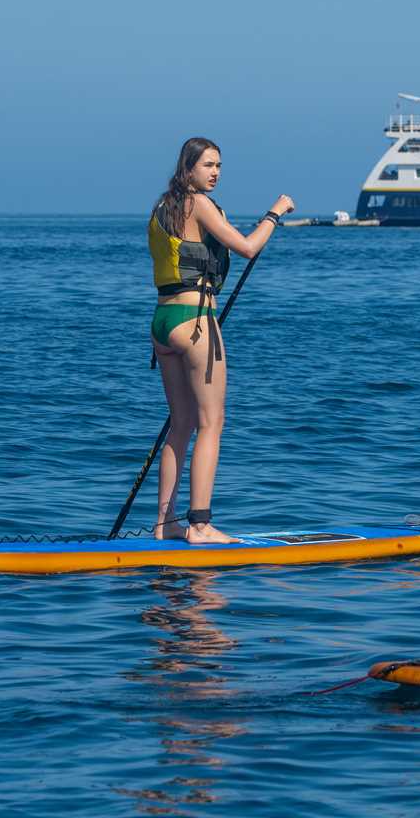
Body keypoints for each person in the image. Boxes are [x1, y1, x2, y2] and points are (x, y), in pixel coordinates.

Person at [147, 137, 293, 544]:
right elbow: (247, 248)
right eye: (208, 165)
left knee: (181, 424)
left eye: (219, 165)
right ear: (188, 168)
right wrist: (274, 214)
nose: (215, 172)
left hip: (163, 323)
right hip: (196, 322)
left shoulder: (163, 208)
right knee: (212, 423)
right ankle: (200, 525)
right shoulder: (199, 204)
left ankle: (165, 523)